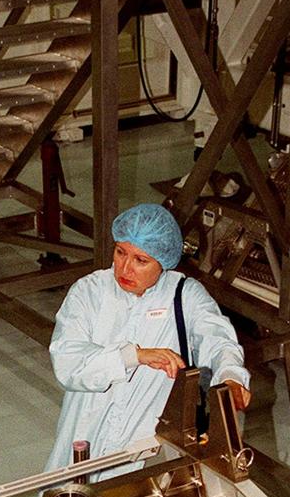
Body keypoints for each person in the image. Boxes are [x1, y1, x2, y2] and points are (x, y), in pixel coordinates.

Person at [46, 202, 251, 472]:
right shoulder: (90, 292)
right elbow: (67, 362)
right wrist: (134, 356)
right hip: (83, 437)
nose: (124, 269)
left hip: (144, 447)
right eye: (120, 252)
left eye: (141, 260)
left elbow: (218, 341)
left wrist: (231, 378)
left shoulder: (184, 295)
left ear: (163, 262)